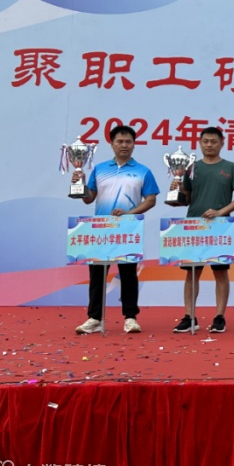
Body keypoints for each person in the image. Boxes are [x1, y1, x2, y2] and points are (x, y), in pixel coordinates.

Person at [72, 125, 159, 334]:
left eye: (128, 142)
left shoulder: (143, 171)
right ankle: (95, 318)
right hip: (100, 231)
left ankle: (130, 318)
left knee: (128, 275)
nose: (124, 145)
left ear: (134, 144)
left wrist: (130, 213)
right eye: (120, 141)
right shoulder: (100, 169)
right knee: (97, 276)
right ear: (111, 144)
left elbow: (151, 199)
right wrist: (80, 184)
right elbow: (88, 199)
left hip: (127, 230)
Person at [169, 126, 234, 334]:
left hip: (219, 227)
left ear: (222, 143)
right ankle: (189, 316)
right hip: (193, 226)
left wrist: (221, 212)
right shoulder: (191, 168)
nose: (209, 145)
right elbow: (186, 198)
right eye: (205, 141)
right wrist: (176, 190)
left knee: (220, 272)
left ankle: (219, 317)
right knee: (192, 273)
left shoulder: (231, 168)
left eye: (214, 141)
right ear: (200, 143)